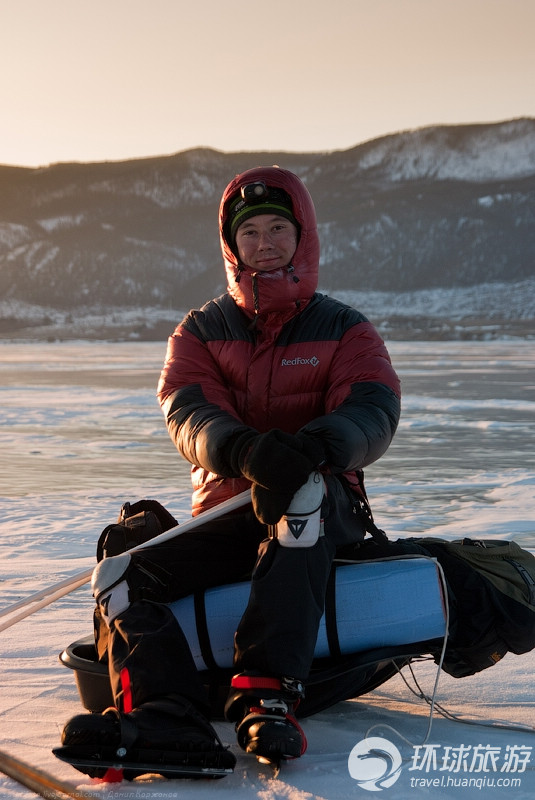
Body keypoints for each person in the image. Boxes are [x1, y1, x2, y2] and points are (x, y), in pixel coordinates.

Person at [56, 166, 401, 779]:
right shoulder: (201, 330)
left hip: (323, 509)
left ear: (303, 238)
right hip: (229, 510)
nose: (265, 243)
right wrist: (244, 453)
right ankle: (164, 715)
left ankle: (265, 694)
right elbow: (187, 411)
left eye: (278, 229)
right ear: (231, 247)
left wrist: (314, 447)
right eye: (250, 234)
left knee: (301, 494)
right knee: (125, 558)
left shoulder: (346, 328)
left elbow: (373, 408)